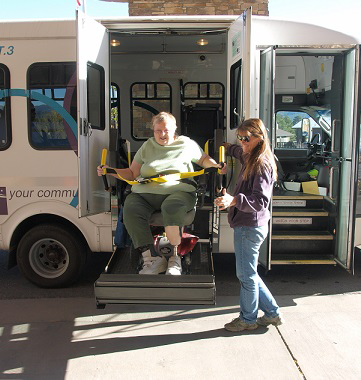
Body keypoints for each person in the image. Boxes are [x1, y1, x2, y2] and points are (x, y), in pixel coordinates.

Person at [98, 111, 223, 275]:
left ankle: (175, 259)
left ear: (174, 129)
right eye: (158, 130)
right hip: (145, 193)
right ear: (153, 131)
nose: (162, 134)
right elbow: (131, 173)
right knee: (130, 207)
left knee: (171, 207)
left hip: (179, 192)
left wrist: (216, 166)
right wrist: (111, 171)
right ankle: (151, 259)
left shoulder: (186, 144)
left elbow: (204, 160)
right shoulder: (148, 145)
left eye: (166, 130)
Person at [214, 118, 284, 332]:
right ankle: (272, 314)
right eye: (240, 138)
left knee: (246, 276)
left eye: (246, 138)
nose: (242, 142)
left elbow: (261, 201)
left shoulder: (261, 163)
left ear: (259, 138)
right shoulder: (250, 154)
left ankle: (248, 319)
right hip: (249, 225)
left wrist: (233, 200)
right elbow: (237, 151)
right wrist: (226, 147)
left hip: (249, 227)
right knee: (249, 273)